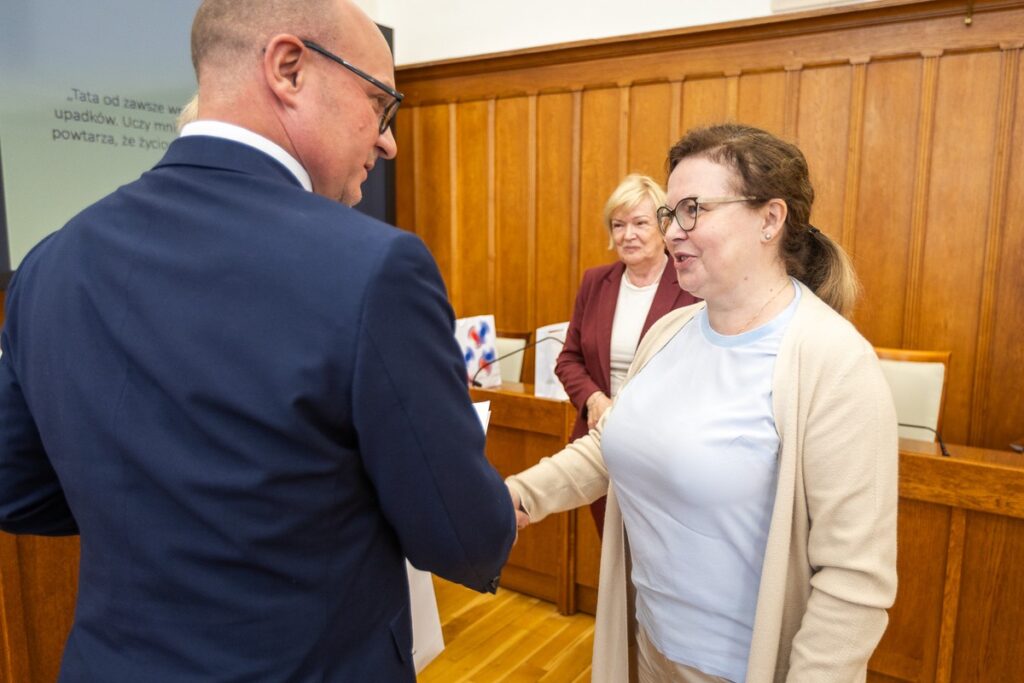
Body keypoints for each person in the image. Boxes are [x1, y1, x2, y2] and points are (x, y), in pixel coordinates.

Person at [0, 1, 516, 681]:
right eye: (379, 104)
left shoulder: (49, 262)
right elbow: (465, 537)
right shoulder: (375, 268)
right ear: (289, 68)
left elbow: (16, 488)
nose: (388, 141)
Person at [508, 123, 898, 682]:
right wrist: (519, 496)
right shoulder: (668, 332)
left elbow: (853, 581)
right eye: (670, 213)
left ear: (770, 219)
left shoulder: (834, 363)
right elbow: (614, 444)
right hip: (648, 648)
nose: (672, 232)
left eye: (693, 210)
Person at [555, 174, 697, 535]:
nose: (627, 235)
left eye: (639, 223)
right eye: (618, 225)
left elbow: (699, 369)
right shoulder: (595, 281)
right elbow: (569, 359)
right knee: (610, 546)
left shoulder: (690, 283)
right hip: (599, 442)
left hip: (663, 449)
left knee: (654, 550)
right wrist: (594, 400)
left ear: (663, 227)